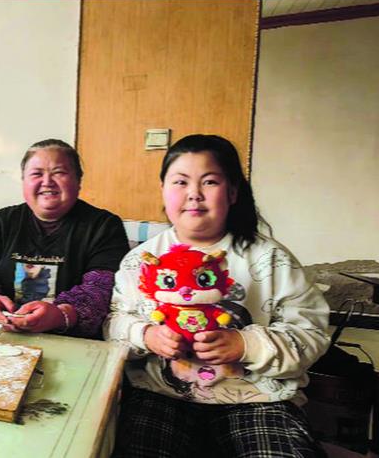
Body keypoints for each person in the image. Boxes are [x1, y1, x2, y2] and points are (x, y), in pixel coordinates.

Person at [104, 134, 329, 457]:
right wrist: (147, 335)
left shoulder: (271, 260)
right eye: (180, 182)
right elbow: (114, 323)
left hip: (260, 399)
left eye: (209, 182)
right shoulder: (140, 260)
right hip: (161, 395)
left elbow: (312, 334)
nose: (194, 193)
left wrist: (245, 345)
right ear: (163, 190)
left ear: (233, 192)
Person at [0, 139, 130, 337]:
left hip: (71, 341)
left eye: (59, 172)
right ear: (24, 181)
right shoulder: (3, 220)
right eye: (37, 174)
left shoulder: (104, 225)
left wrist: (61, 315)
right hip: (3, 335)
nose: (47, 182)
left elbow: (102, 288)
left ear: (78, 180)